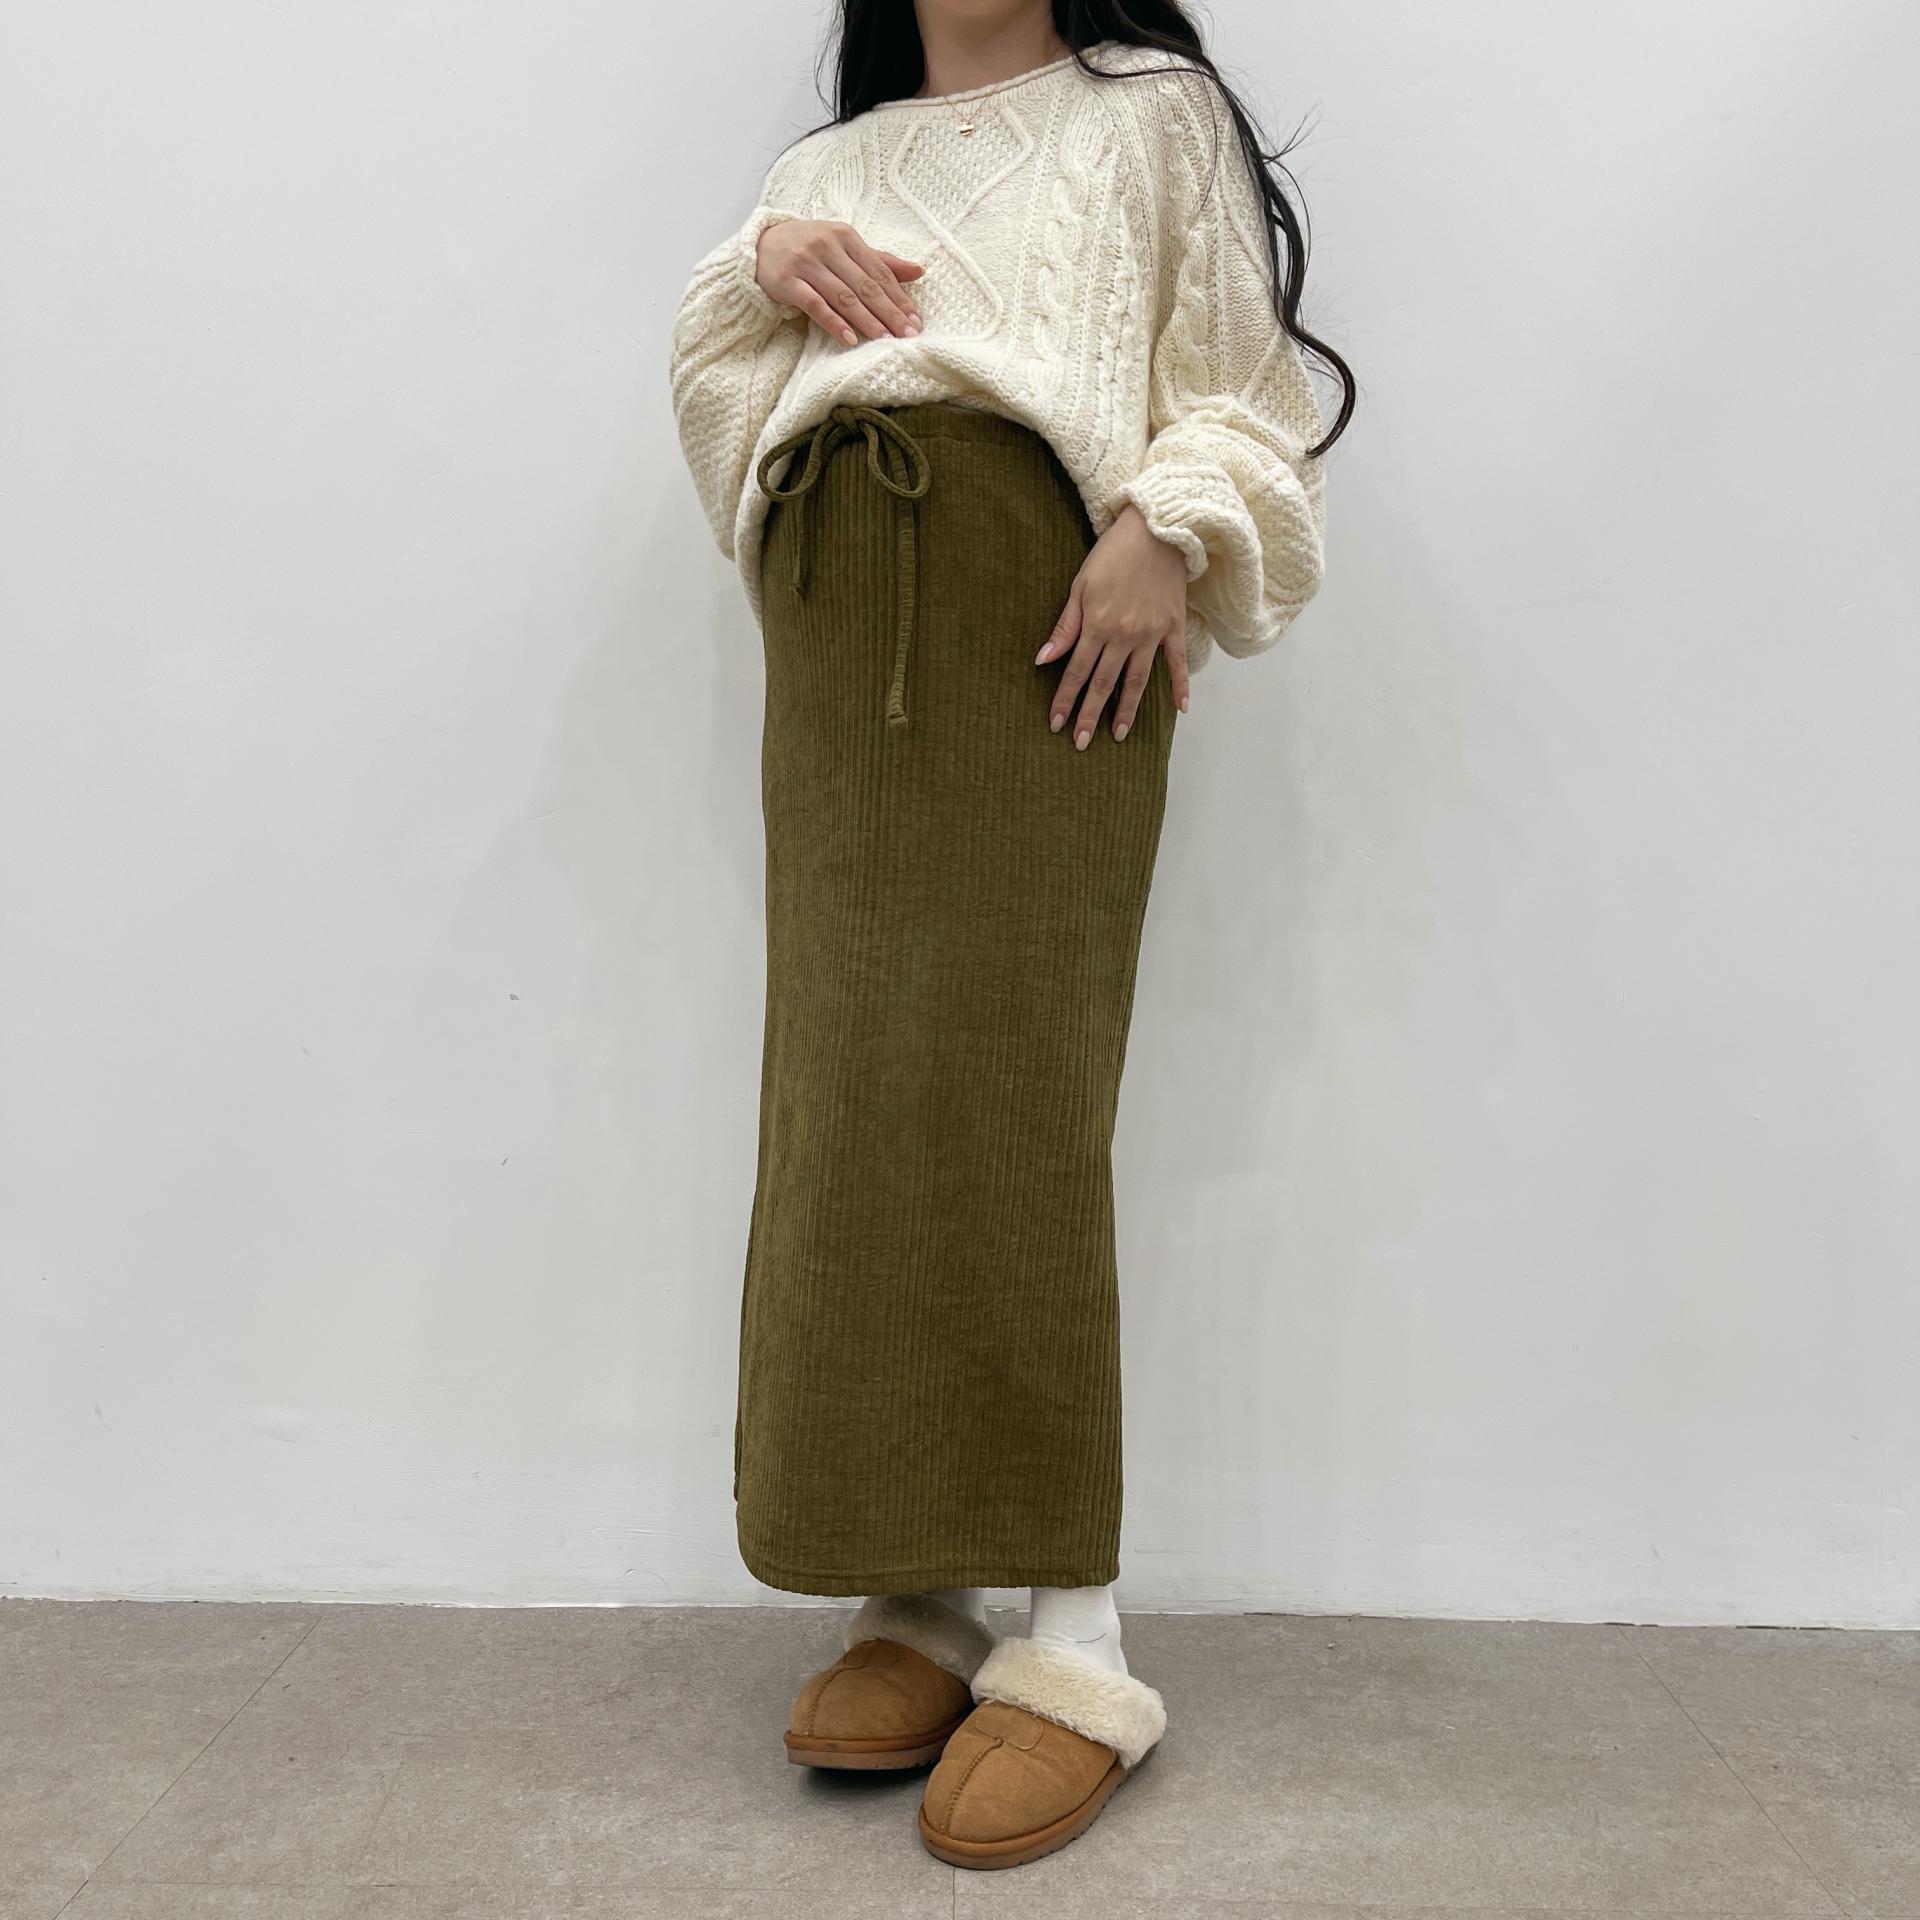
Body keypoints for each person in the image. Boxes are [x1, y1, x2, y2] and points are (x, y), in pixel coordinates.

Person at [667, 0, 1353, 1871]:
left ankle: (1075, 1632)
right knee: (849, 1102)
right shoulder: (828, 164)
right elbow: (725, 405)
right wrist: (756, 263)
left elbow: (1244, 393)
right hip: (835, 630)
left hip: (1040, 618)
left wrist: (1165, 524)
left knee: (1014, 1094)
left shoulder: (1150, 111)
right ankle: (914, 1581)